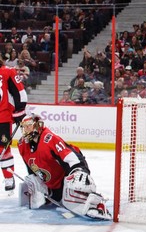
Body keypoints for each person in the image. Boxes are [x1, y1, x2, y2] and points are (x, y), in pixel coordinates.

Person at [17, 114, 111, 220]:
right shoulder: (22, 145)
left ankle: (97, 205)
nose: (25, 129)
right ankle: (53, 194)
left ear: (38, 125)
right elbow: (31, 167)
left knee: (77, 181)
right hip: (53, 183)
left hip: (67, 173)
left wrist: (78, 170)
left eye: (28, 126)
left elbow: (70, 156)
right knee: (32, 181)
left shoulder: (49, 139)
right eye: (23, 127)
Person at [0, 55, 28, 192]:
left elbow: (20, 91)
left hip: (2, 117)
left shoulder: (7, 71)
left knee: (3, 149)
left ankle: (8, 178)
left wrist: (19, 110)